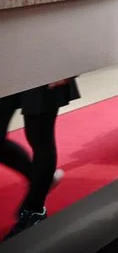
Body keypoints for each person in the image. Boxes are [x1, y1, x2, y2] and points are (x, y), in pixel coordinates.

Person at [0, 79, 77, 239]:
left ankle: (35, 210)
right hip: (9, 67)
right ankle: (43, 180)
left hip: (43, 68)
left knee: (40, 138)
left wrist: (65, 68)